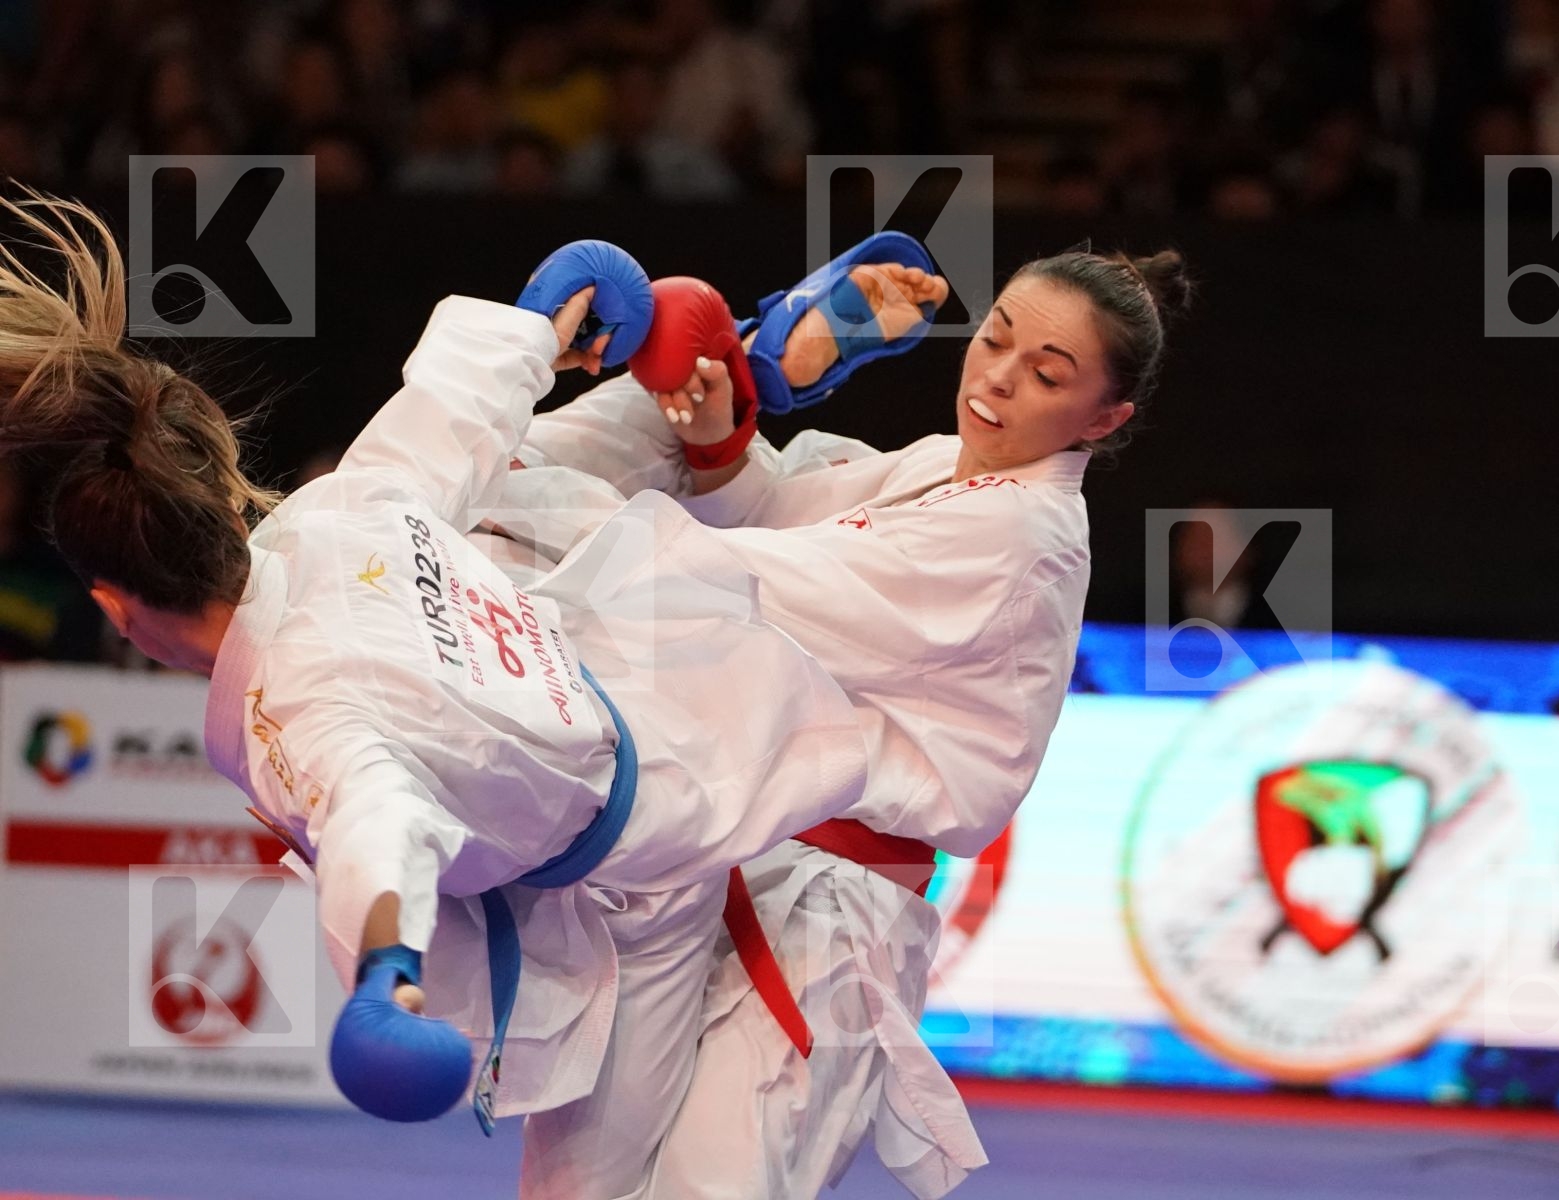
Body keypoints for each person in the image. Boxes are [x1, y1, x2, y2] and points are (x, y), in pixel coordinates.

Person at [0, 194, 872, 1184]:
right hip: (620, 649)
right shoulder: (339, 511)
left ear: (115, 608)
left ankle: (732, 379)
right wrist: (548, 313)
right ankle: (735, 370)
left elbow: (377, 821)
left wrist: (385, 976)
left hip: (645, 860)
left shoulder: (294, 714)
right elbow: (448, 412)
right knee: (513, 477)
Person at [492, 242, 1193, 1198]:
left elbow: (743, 585)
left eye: (1046, 375)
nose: (998, 379)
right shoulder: (945, 469)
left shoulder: (1019, 536)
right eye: (995, 339)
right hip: (704, 853)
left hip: (827, 915)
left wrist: (510, 524)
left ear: (1104, 419)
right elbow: (773, 518)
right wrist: (719, 436)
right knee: (577, 1187)